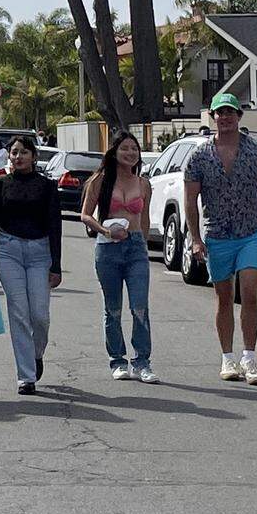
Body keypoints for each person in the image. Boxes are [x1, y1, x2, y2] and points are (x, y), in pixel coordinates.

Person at [186, 93, 257, 385]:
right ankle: (228, 358)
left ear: (239, 116)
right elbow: (191, 199)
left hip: (252, 233)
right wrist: (196, 238)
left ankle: (249, 358)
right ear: (212, 117)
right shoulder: (200, 155)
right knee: (224, 297)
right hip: (218, 235)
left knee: (250, 293)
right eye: (219, 113)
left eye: (229, 112)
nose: (224, 118)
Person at [0, 136, 63, 395]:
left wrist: (56, 265)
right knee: (19, 312)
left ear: (33, 156)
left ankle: (36, 353)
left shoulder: (47, 186)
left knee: (40, 315)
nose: (18, 157)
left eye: (23, 152)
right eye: (14, 152)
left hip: (40, 252)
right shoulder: (0, 185)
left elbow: (55, 226)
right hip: (8, 251)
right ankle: (26, 376)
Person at [80, 132, 158, 383]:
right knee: (112, 308)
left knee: (139, 306)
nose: (130, 153)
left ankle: (142, 362)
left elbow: (144, 219)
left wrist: (143, 244)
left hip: (135, 248)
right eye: (125, 148)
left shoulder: (143, 183)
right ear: (114, 152)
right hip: (107, 248)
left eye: (134, 149)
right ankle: (117, 360)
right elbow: (85, 214)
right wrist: (104, 230)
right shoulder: (100, 180)